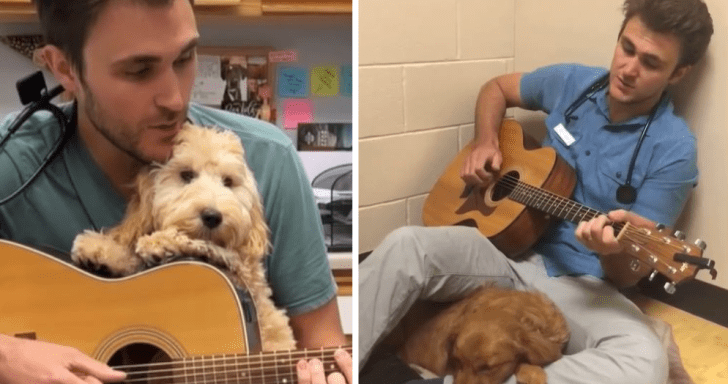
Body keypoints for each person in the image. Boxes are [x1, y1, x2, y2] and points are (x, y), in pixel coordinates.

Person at [359, 0, 713, 383]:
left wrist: (610, 253)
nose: (628, 69)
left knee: (643, 359)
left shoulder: (674, 149)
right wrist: (485, 141)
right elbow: (495, 88)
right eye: (627, 48)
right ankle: (337, 361)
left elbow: (630, 275)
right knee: (406, 244)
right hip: (504, 252)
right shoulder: (573, 82)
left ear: (678, 73)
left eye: (650, 62)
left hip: (582, 286)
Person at [0, 0, 351, 383]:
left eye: (185, 59)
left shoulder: (266, 160)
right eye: (139, 70)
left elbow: (322, 343)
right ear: (64, 69)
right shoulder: (10, 166)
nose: (175, 99)